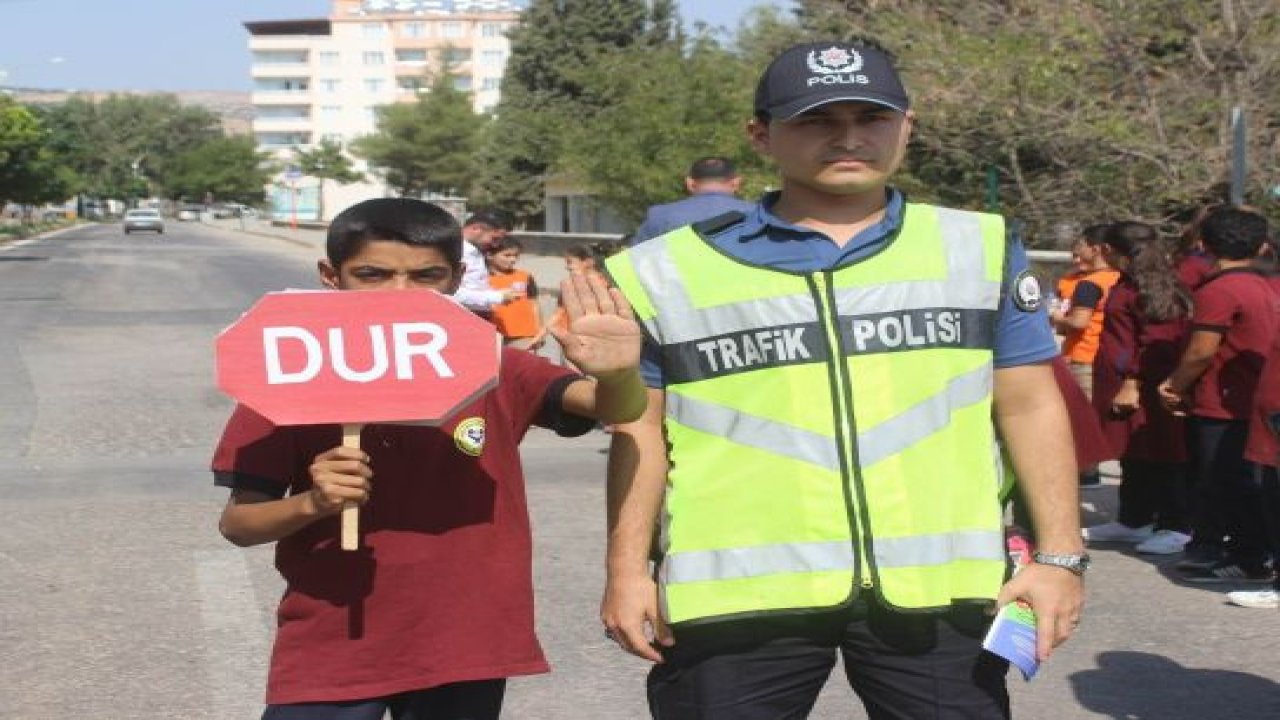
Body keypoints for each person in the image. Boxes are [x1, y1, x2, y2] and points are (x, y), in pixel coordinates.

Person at [600, 41, 1085, 719]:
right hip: (735, 598)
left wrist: (1060, 559)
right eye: (818, 120)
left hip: (937, 597)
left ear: (907, 127)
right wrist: (625, 572)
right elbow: (638, 430)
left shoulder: (977, 247)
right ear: (760, 135)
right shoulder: (662, 271)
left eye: (872, 117)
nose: (849, 137)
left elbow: (1032, 408)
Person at [211, 198, 647, 719]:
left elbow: (606, 407)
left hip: (465, 645)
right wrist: (313, 503)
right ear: (331, 275)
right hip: (334, 644)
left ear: (458, 277)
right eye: (372, 274)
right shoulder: (290, 374)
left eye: (426, 276)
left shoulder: (490, 362)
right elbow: (239, 523)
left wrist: (619, 373)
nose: (400, 294)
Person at [1159, 206, 1277, 582]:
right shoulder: (1265, 285)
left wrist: (1174, 385)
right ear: (1261, 246)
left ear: (1205, 244)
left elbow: (1201, 350)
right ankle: (1248, 552)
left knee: (1226, 481)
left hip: (1225, 403)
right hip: (1255, 398)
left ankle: (1248, 558)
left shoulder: (1220, 289)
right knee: (1247, 483)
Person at [1082, 222, 1194, 554]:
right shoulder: (1126, 282)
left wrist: (1132, 381)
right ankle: (1134, 518)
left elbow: (1156, 341)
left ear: (1108, 250)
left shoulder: (1156, 286)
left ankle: (1176, 524)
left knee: (1163, 451)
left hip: (1147, 384)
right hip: (1117, 381)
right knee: (1134, 454)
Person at [1050, 224, 1122, 399]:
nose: (1077, 255)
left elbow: (1078, 322)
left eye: (1081, 247)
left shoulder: (1090, 284)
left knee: (1082, 416)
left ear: (1096, 249)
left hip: (1082, 356)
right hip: (1110, 358)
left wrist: (1057, 317)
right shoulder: (1120, 278)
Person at [630, 156, 755, 245]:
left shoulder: (660, 216)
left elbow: (637, 261)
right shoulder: (759, 215)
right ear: (736, 183)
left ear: (690, 183)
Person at [453, 209, 519, 317]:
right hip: (458, 317)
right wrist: (497, 297)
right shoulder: (454, 252)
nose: (495, 245)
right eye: (494, 238)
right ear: (476, 229)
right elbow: (450, 293)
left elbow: (475, 285)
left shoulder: (476, 251)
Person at [485, 237, 544, 349]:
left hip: (523, 334)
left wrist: (539, 330)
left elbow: (534, 304)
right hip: (493, 334)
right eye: (507, 255)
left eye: (516, 256)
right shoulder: (481, 279)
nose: (512, 259)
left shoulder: (525, 276)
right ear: (489, 255)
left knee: (522, 365)